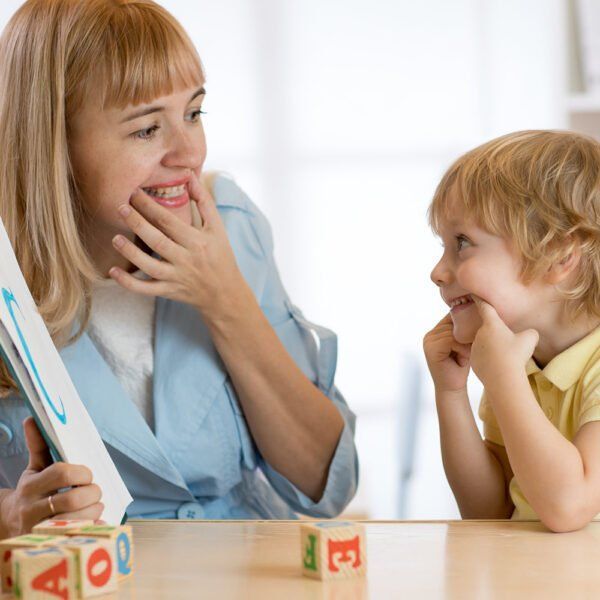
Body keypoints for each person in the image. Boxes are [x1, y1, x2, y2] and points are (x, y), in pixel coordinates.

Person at [0, 0, 358, 538]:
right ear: (54, 144)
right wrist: (10, 518)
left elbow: (324, 485)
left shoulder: (229, 225)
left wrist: (226, 299)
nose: (189, 153)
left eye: (193, 113)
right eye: (147, 130)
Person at [423, 130, 600, 533]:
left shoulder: (508, 370)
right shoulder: (515, 362)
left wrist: (503, 380)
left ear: (558, 256)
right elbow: (489, 510)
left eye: (462, 243)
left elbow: (568, 507)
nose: (437, 272)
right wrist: (451, 393)